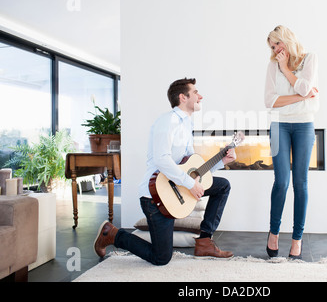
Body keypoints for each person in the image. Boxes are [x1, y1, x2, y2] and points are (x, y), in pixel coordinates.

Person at [94, 78, 236, 265]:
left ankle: (204, 242)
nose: (200, 96)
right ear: (182, 97)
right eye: (195, 92)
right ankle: (112, 234)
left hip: (173, 188)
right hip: (155, 195)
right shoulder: (167, 121)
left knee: (222, 186)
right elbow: (162, 159)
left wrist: (220, 161)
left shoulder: (186, 124)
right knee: (161, 258)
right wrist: (190, 184)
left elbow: (192, 166)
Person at [264, 25, 319, 259]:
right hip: (278, 125)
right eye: (272, 46)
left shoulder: (309, 59)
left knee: (301, 183)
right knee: (281, 182)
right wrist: (301, 97)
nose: (276, 49)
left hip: (305, 125)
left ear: (287, 39)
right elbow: (269, 101)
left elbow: (307, 86)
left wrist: (287, 69)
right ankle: (273, 234)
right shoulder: (271, 65)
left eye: (278, 43)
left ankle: (297, 239)